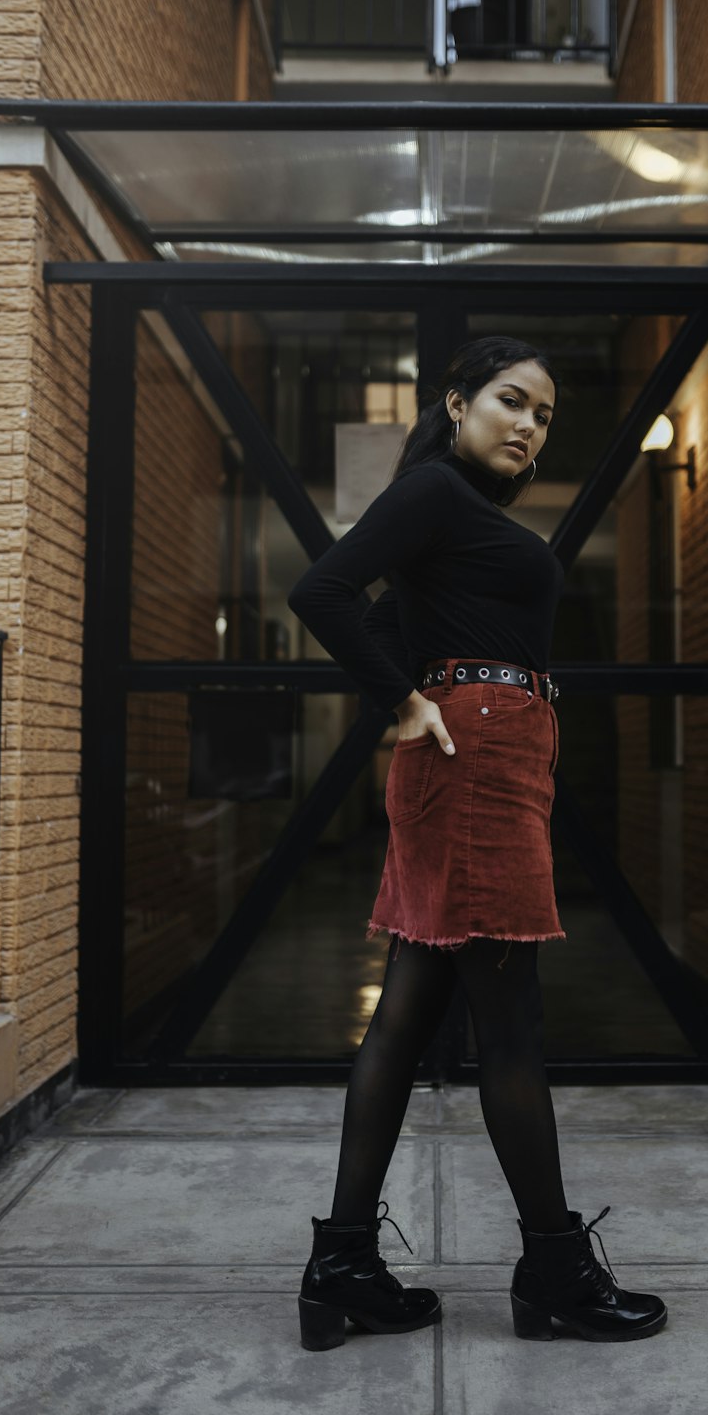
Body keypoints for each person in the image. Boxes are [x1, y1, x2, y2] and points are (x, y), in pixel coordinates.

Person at [287, 336, 667, 1351]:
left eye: (543, 414)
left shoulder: (458, 518)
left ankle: (345, 1268)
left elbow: (386, 613)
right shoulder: (433, 494)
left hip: (487, 757)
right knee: (507, 1025)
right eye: (511, 400)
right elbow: (321, 591)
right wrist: (404, 702)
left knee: (410, 1012)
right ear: (457, 405)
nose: (529, 425)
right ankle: (552, 1272)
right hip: (476, 762)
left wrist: (425, 685)